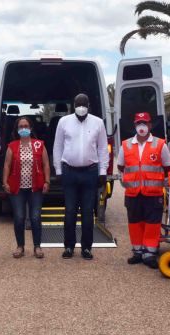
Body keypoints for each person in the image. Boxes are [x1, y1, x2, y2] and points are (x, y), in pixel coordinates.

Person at [53, 94, 109, 260]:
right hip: (69, 171)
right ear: (74, 104)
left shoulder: (98, 122)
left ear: (88, 105)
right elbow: (58, 147)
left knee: (87, 212)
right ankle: (69, 246)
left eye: (84, 103)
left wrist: (103, 171)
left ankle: (86, 248)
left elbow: (102, 149)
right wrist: (58, 171)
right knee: (70, 211)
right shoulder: (64, 122)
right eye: (78, 103)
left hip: (90, 172)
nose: (81, 106)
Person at [117, 112, 170, 268]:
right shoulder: (126, 144)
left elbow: (168, 167)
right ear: (135, 126)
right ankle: (137, 251)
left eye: (145, 123)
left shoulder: (160, 144)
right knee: (134, 223)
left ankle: (150, 253)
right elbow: (121, 166)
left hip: (153, 193)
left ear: (150, 125)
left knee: (152, 223)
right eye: (138, 123)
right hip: (133, 193)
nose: (142, 126)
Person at [2, 116, 51, 259]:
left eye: (26, 126)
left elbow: (46, 164)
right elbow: (7, 165)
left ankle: (37, 246)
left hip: (35, 188)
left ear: (31, 128)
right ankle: (20, 246)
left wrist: (47, 181)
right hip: (17, 187)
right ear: (17, 130)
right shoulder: (12, 146)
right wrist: (5, 182)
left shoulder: (39, 144)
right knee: (19, 217)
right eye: (20, 126)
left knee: (35, 217)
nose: (23, 128)